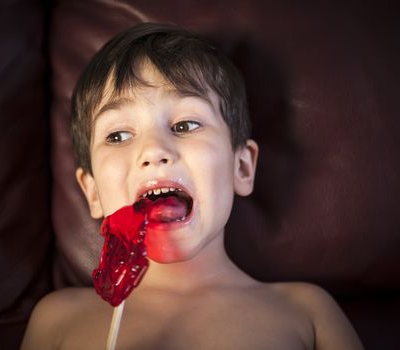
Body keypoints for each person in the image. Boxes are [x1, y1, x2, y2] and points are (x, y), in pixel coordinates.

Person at [21, 23, 364, 350]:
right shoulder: (57, 321)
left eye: (185, 124)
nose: (154, 151)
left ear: (241, 167)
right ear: (92, 192)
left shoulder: (307, 312)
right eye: (119, 135)